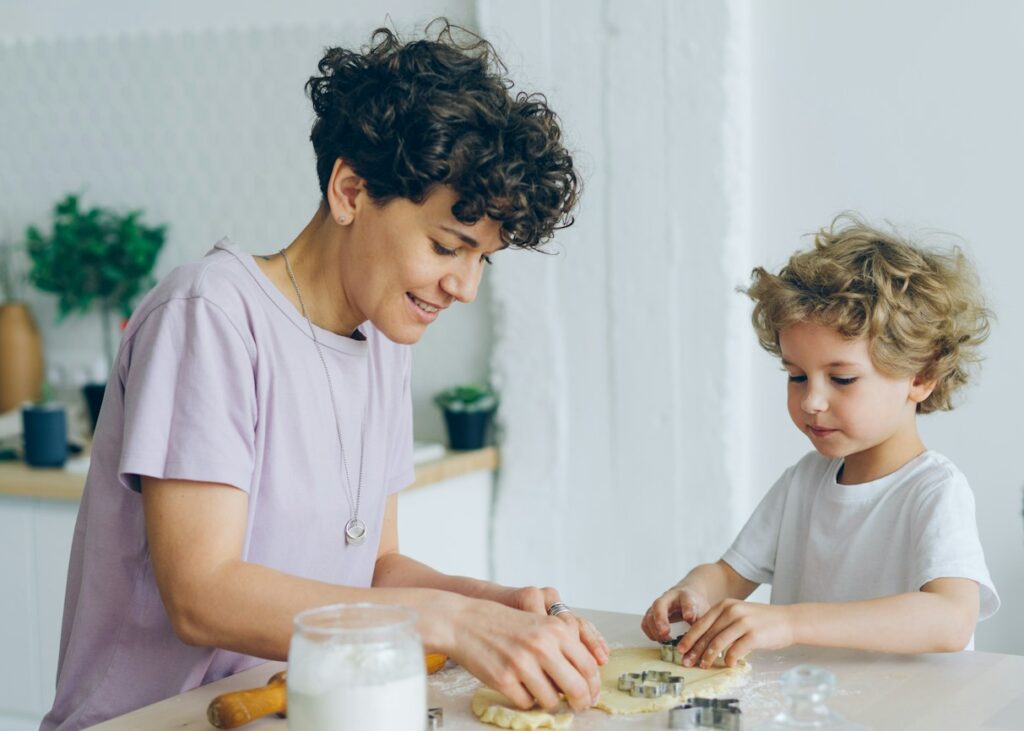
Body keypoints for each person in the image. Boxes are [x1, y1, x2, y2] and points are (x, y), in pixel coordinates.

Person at [42, 21, 607, 731]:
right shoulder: (211, 316)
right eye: (446, 245)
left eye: (481, 259)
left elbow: (373, 570)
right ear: (349, 190)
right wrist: (449, 622)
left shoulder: (384, 340)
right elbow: (202, 594)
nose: (463, 285)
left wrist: (490, 605)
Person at [641, 215, 999, 668]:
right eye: (796, 375)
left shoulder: (934, 490)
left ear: (921, 376)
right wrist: (694, 591)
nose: (811, 400)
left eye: (842, 379)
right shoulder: (804, 482)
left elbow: (950, 619)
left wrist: (791, 623)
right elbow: (731, 575)